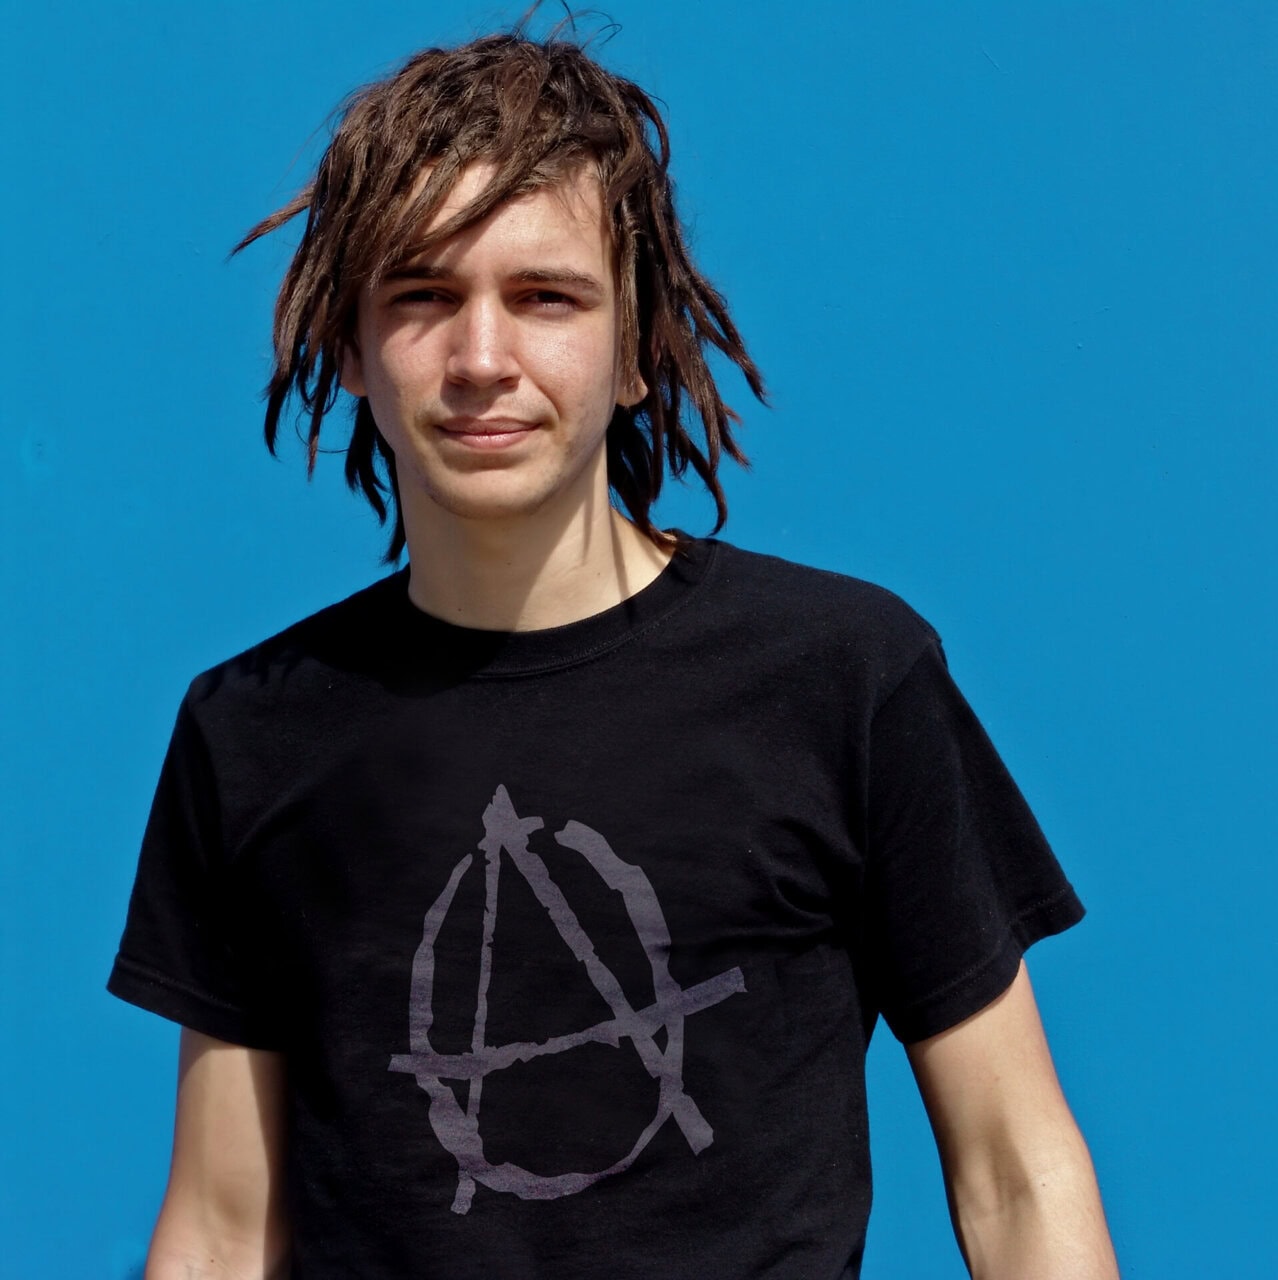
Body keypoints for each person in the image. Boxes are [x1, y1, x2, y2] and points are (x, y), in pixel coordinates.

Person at [108, 21, 1118, 1280]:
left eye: (546, 297)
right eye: (424, 296)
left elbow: (1016, 1169)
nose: (484, 359)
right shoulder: (252, 728)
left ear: (638, 347)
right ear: (351, 346)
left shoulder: (842, 677)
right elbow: (218, 1227)